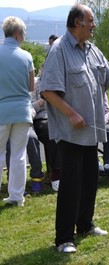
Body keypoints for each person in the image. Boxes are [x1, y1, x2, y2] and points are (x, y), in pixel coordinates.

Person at [39, 4, 109, 253]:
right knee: (70, 185)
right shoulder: (59, 51)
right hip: (70, 132)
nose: (94, 24)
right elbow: (46, 90)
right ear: (78, 22)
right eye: (91, 20)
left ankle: (85, 224)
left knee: (90, 179)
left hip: (91, 131)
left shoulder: (92, 51)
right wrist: (71, 113)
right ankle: (64, 239)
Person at [0, 16, 35, 207]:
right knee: (19, 155)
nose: (24, 36)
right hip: (22, 111)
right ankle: (16, 196)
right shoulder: (27, 56)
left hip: (1, 111)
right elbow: (31, 86)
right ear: (17, 33)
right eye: (24, 33)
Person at [31, 64, 61, 191]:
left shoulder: (59, 83)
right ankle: (56, 174)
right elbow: (29, 107)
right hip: (42, 118)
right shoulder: (36, 84)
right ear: (41, 70)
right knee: (52, 134)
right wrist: (41, 101)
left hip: (59, 118)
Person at [99, 92, 109, 175]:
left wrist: (102, 122)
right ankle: (96, 163)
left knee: (108, 131)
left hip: (103, 122)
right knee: (90, 134)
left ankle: (107, 163)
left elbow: (107, 111)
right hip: (90, 123)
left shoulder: (103, 92)